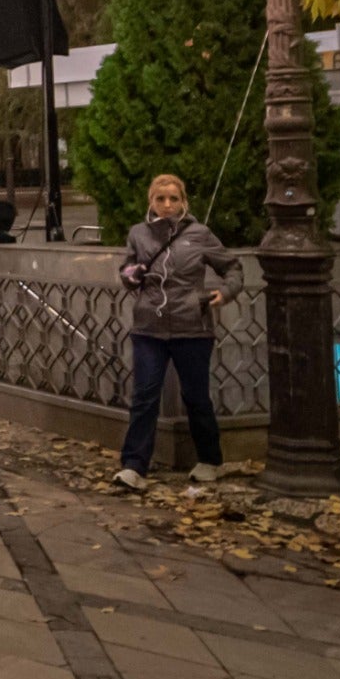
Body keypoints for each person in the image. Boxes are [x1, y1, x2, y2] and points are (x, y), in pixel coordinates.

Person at [113, 173, 243, 492]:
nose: (167, 205)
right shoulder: (139, 234)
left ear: (183, 201)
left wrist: (225, 293)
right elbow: (126, 271)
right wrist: (130, 275)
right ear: (151, 201)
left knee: (196, 396)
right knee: (145, 395)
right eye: (160, 199)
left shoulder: (200, 234)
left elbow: (233, 267)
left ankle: (209, 460)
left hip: (192, 326)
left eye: (173, 198)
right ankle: (133, 466)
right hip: (149, 326)